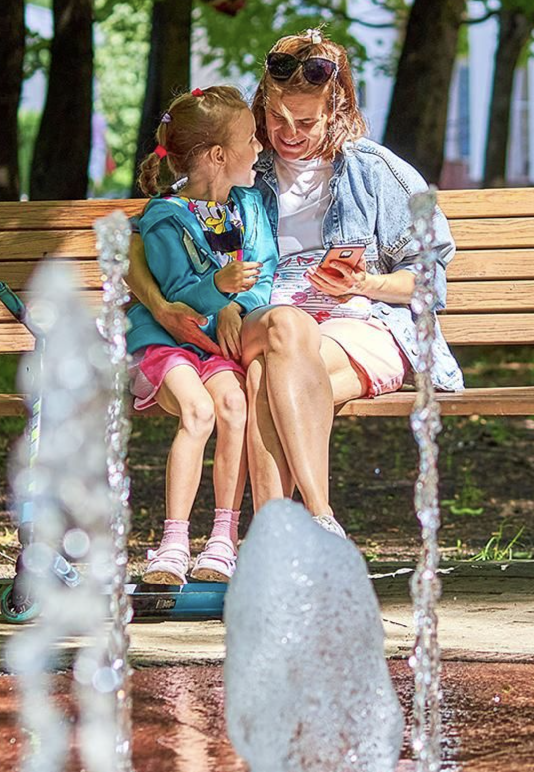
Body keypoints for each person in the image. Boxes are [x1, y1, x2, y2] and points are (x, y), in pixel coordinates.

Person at [127, 31, 463, 538]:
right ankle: (312, 525)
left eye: (305, 122)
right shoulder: (244, 165)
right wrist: (170, 305)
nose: (287, 134)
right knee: (284, 334)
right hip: (268, 317)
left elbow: (429, 282)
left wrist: (365, 282)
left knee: (267, 375)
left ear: (337, 110)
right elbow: (142, 236)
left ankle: (276, 540)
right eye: (276, 118)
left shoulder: (378, 172)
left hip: (362, 322)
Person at [127, 85, 277, 584]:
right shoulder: (165, 217)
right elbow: (175, 293)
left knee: (234, 407)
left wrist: (239, 305)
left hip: (216, 346)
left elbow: (265, 270)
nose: (259, 147)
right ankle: (172, 544)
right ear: (218, 156)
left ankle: (221, 541)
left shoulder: (249, 206)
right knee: (198, 411)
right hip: (167, 343)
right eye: (250, 139)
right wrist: (218, 288)